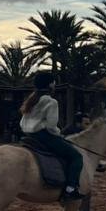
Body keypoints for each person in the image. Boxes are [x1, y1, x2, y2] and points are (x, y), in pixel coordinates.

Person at [19, 70, 83, 200]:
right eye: (53, 82)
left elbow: (22, 122)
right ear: (49, 85)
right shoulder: (51, 102)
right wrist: (59, 135)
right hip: (44, 136)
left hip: (29, 136)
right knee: (76, 157)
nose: (54, 85)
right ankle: (70, 189)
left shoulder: (31, 100)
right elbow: (51, 126)